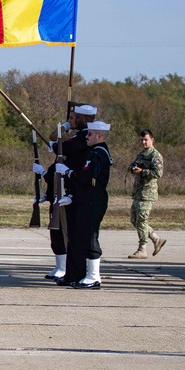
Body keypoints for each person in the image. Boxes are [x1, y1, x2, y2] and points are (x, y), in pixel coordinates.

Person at [33, 103, 97, 281]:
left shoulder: (85, 137)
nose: (74, 120)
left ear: (87, 119)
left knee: (70, 232)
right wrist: (66, 125)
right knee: (58, 231)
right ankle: (62, 267)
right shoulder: (78, 134)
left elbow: (67, 148)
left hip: (73, 188)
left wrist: (56, 145)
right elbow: (55, 138)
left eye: (76, 118)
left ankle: (78, 271)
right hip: (61, 187)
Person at [54, 120, 113, 289]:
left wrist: (68, 172)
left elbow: (85, 178)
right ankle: (77, 274)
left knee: (90, 237)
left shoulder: (98, 154)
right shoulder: (93, 152)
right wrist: (72, 196)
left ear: (99, 136)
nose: (86, 137)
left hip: (93, 201)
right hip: (85, 199)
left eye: (90, 134)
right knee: (79, 236)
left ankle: (94, 276)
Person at [127, 129, 165, 258]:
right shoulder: (141, 154)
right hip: (138, 192)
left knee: (142, 220)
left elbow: (158, 173)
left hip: (148, 193)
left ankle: (142, 248)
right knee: (134, 219)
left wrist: (142, 171)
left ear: (152, 140)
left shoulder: (156, 156)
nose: (143, 142)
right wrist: (133, 168)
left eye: (146, 140)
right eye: (142, 140)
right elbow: (134, 165)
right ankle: (156, 239)